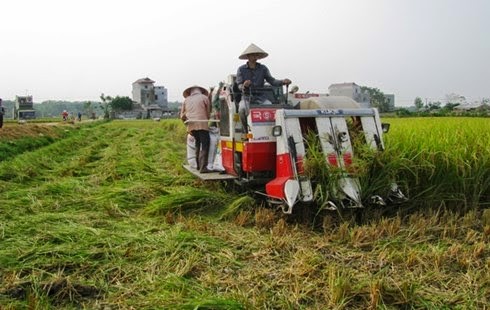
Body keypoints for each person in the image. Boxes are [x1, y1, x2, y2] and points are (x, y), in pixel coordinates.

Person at [236, 43, 291, 132]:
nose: (255, 56)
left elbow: (272, 81)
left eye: (256, 54)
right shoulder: (241, 69)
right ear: (248, 56)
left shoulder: (263, 68)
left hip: (261, 97)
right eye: (253, 55)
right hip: (246, 97)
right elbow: (239, 85)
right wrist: (244, 85)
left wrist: (282, 82)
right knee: (242, 109)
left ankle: (270, 131)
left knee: (269, 108)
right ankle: (246, 131)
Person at [180, 85, 212, 173]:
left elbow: (182, 116)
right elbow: (208, 114)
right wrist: (206, 119)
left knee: (197, 143)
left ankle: (197, 165)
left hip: (191, 125)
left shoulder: (186, 100)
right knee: (205, 144)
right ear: (200, 91)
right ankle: (203, 167)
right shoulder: (204, 98)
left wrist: (187, 124)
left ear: (190, 92)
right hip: (202, 124)